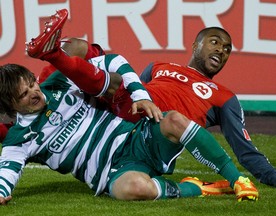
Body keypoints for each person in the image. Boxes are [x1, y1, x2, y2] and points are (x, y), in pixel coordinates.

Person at [0, 9, 258, 205]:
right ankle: (196, 187)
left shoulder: (56, 81)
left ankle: (237, 180)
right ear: (11, 105)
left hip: (135, 137)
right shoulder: (18, 139)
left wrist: (140, 94)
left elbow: (115, 61)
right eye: (24, 94)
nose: (35, 92)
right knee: (133, 189)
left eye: (32, 84)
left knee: (174, 120)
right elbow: (7, 171)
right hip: (110, 173)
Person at [53, 28, 276, 188]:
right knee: (78, 47)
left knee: (113, 78)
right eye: (215, 42)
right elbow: (138, 91)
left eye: (227, 49)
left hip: (158, 137)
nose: (221, 50)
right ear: (196, 45)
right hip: (126, 122)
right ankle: (47, 84)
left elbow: (243, 146)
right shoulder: (158, 66)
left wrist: (274, 176)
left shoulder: (225, 97)